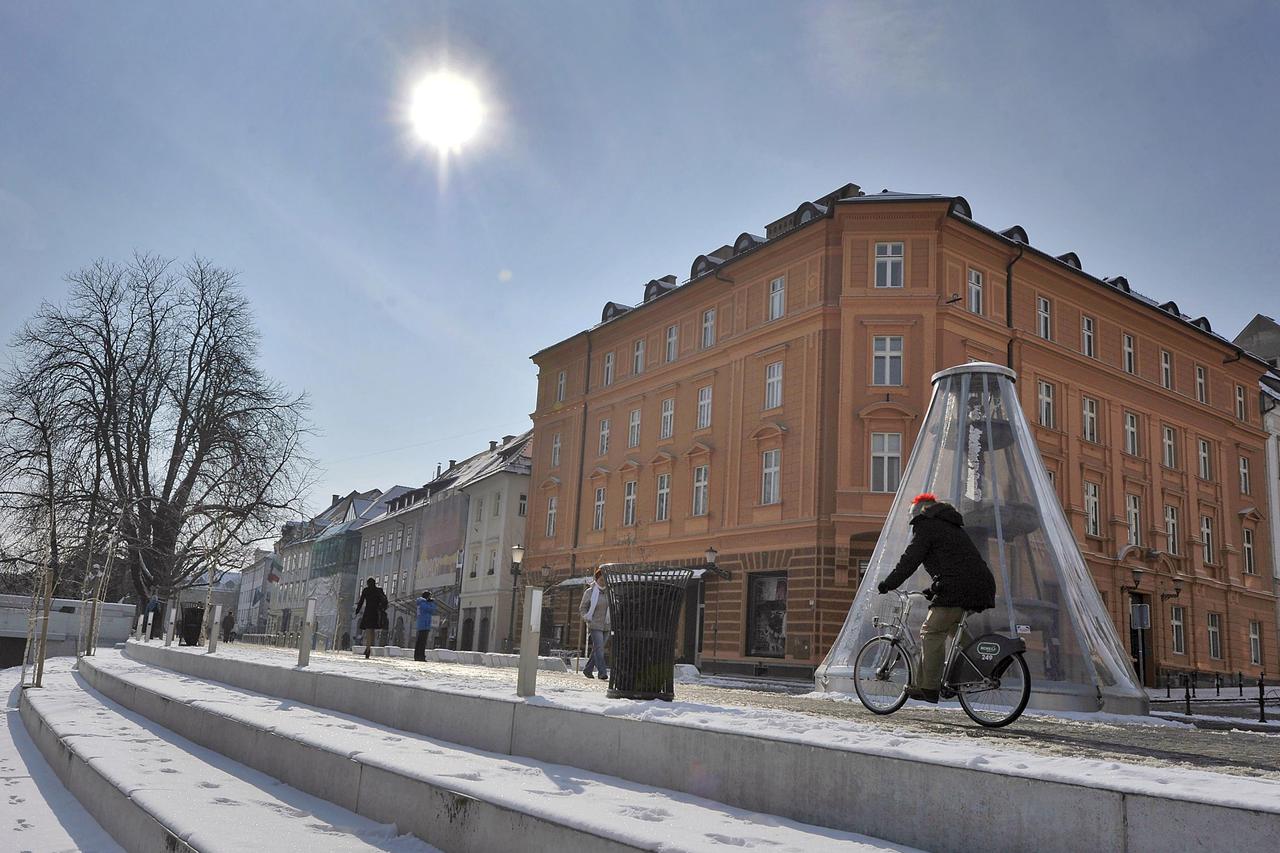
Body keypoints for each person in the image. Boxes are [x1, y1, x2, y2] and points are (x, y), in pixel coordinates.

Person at [877, 493, 996, 703]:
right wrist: (934, 588)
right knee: (951, 626)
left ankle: (929, 687)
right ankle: (982, 666)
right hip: (978, 585)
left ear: (918, 512)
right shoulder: (950, 525)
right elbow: (953, 563)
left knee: (930, 631)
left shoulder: (927, 526)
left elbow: (909, 560)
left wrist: (889, 583)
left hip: (959, 588)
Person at [579, 567, 610, 680]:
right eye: (601, 580)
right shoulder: (590, 592)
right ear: (596, 579)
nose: (603, 582)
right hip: (595, 624)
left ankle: (588, 670)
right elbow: (583, 608)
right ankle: (602, 672)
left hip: (607, 624)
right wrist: (586, 617)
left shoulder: (609, 592)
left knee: (597, 648)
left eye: (605, 580)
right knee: (600, 649)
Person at [354, 578, 387, 659]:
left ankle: (368, 649)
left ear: (368, 583)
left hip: (368, 612)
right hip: (376, 612)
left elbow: (361, 601)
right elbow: (384, 600)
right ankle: (368, 647)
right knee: (372, 631)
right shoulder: (379, 590)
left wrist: (357, 611)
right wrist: (382, 608)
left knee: (368, 630)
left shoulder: (366, 590)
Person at [414, 590, 437, 662]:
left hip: (423, 624)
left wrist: (430, 603)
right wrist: (431, 603)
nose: (431, 598)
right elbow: (431, 609)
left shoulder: (421, 603)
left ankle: (419, 655)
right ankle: (420, 656)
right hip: (424, 624)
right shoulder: (422, 603)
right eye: (430, 596)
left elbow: (433, 610)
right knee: (422, 642)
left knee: (420, 641)